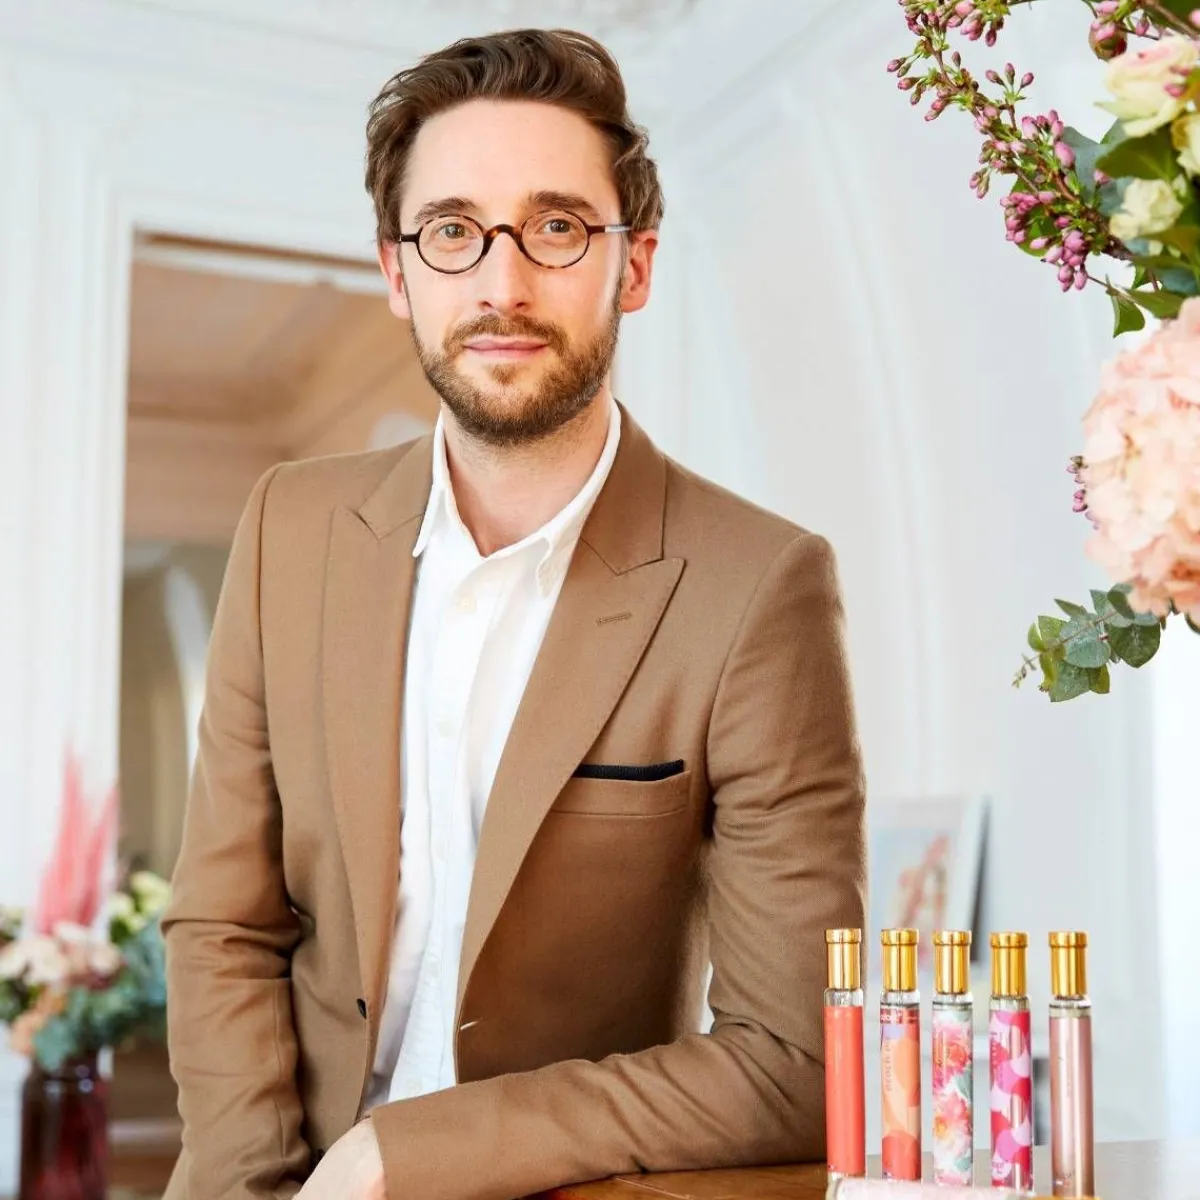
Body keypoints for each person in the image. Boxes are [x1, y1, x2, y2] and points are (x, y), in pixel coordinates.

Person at [161, 27, 866, 1200]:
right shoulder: (289, 525)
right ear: (398, 273)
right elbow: (223, 929)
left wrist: (404, 1152)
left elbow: (794, 1062)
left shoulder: (759, 587)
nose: (502, 286)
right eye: (452, 231)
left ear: (633, 266)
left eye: (557, 227)